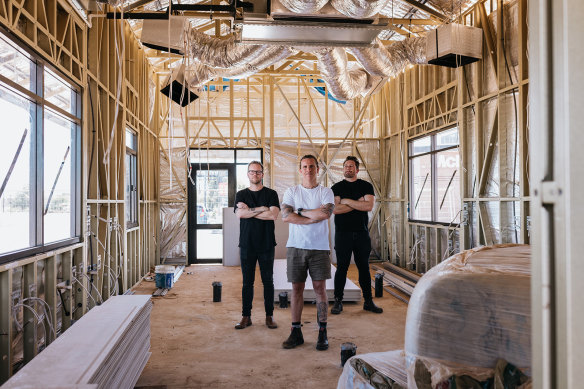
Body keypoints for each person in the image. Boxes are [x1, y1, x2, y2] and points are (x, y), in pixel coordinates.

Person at [281, 155, 335, 351]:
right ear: (300, 170)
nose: (308, 170)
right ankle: (296, 332)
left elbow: (325, 214)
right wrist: (312, 216)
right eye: (304, 167)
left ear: (317, 169)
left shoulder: (326, 191)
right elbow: (286, 216)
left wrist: (300, 211)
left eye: (312, 166)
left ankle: (323, 332)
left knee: (320, 290)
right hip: (296, 246)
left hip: (319, 248)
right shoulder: (291, 191)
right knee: (297, 290)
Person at [330, 156, 383, 315]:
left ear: (357, 169)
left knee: (364, 269)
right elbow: (335, 210)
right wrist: (356, 202)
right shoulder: (336, 187)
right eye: (346, 166)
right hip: (343, 234)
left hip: (361, 234)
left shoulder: (366, 185)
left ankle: (368, 301)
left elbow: (368, 206)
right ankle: (338, 301)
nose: (348, 168)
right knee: (342, 268)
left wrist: (346, 201)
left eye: (351, 166)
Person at [234, 161, 281, 330]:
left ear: (262, 174)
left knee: (268, 281)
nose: (255, 174)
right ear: (247, 174)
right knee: (247, 282)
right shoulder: (240, 194)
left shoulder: (271, 193)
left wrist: (251, 211)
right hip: (247, 244)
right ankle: (246, 317)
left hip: (267, 244)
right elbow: (240, 214)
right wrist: (262, 209)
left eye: (258, 172)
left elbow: (273, 215)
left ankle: (269, 316)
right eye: (252, 171)